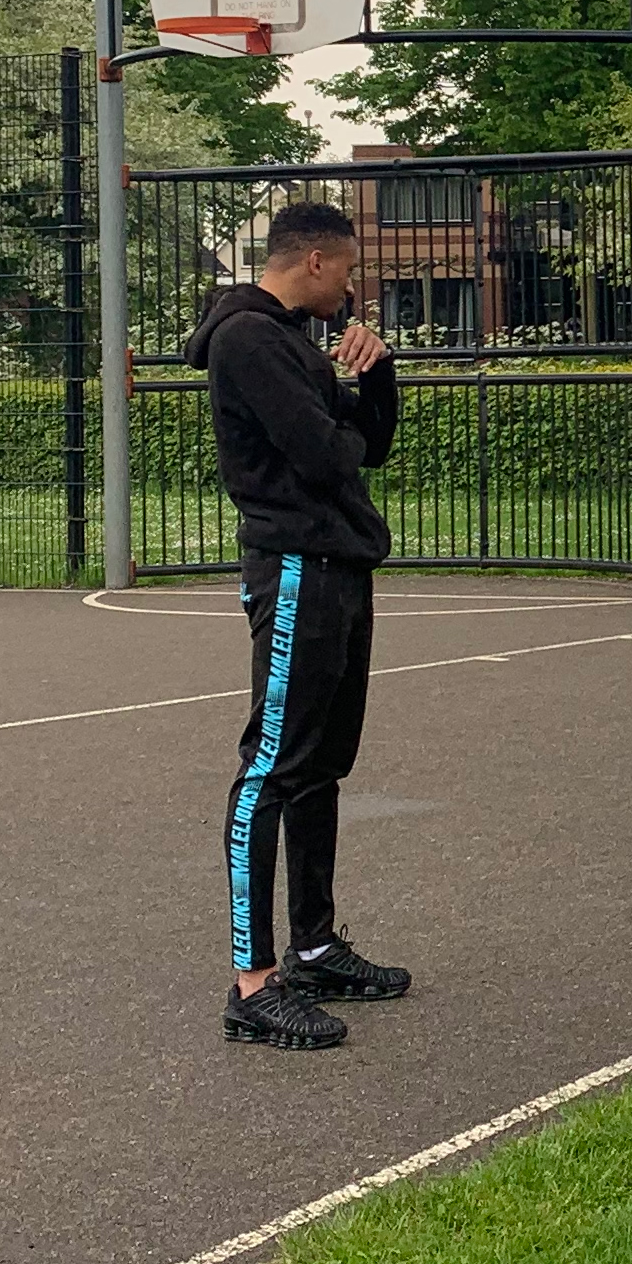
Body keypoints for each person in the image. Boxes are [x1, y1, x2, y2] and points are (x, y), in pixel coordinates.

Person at [185, 197, 409, 1052]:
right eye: (347, 271)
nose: (352, 290)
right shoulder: (248, 339)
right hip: (294, 569)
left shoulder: (296, 341)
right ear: (312, 261)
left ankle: (314, 946)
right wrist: (336, 422)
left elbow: (368, 445)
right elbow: (322, 455)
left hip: (338, 563)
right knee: (272, 767)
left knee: (321, 765)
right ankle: (253, 982)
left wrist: (374, 373)